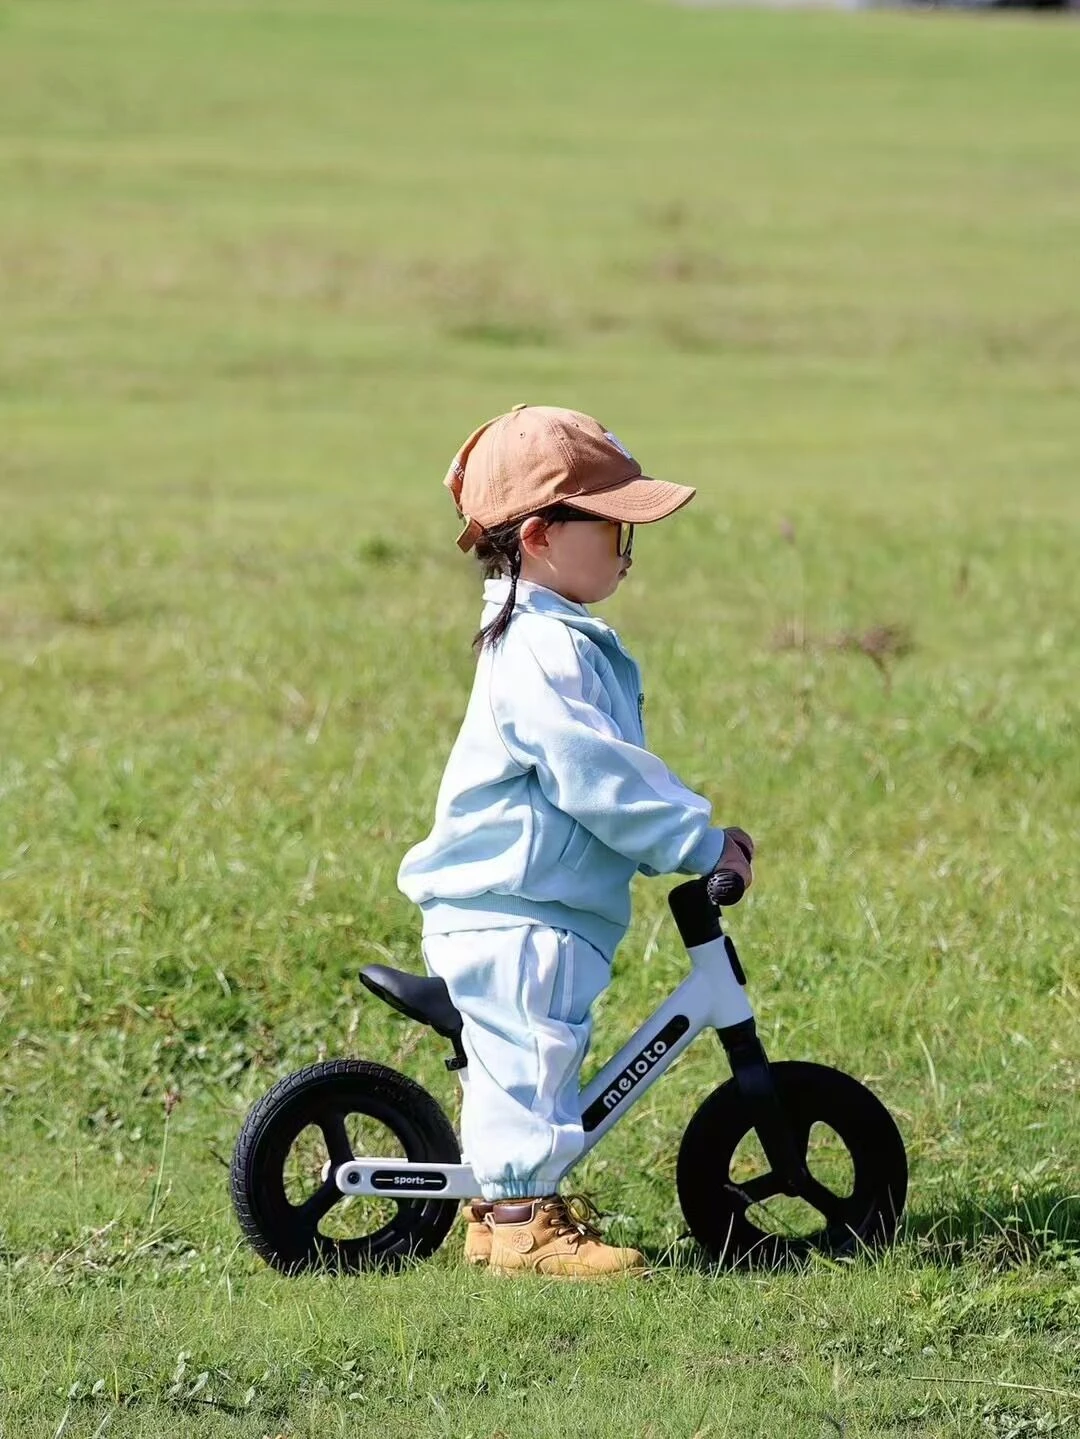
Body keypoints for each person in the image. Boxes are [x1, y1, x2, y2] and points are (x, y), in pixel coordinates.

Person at [397, 404, 754, 1279]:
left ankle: (497, 1212)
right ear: (543, 535)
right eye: (616, 526)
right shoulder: (543, 652)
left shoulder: (552, 636)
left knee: (525, 1059)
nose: (629, 548)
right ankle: (523, 1227)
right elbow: (599, 775)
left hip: (528, 904)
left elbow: (615, 766)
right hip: (515, 911)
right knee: (532, 1055)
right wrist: (699, 843)